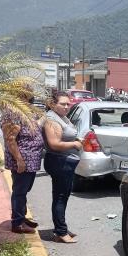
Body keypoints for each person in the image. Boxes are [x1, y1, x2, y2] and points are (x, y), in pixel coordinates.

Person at [43, 92, 83, 243]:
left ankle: (61, 228)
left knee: (62, 196)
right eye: (63, 104)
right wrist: (74, 144)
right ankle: (60, 232)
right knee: (60, 197)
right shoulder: (52, 120)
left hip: (64, 161)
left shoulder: (60, 117)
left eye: (68, 104)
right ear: (54, 105)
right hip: (59, 162)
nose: (66, 107)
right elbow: (54, 144)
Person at [1, 97, 44, 234]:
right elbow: (10, 139)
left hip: (31, 161)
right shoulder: (13, 113)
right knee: (19, 192)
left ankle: (22, 217)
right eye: (27, 96)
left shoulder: (24, 111)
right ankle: (17, 223)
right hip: (23, 161)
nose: (30, 100)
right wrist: (19, 160)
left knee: (24, 190)